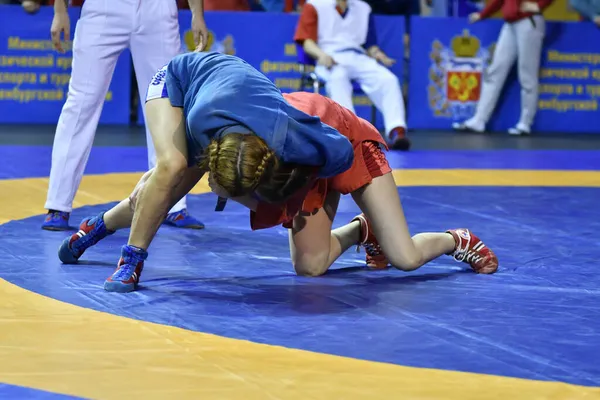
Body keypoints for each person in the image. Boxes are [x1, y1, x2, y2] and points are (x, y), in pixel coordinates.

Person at [57, 51, 498, 293]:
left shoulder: (314, 145)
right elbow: (156, 189)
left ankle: (454, 238)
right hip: (183, 82)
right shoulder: (202, 130)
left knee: (403, 258)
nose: (219, 195)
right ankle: (104, 232)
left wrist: (319, 202)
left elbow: (342, 159)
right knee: (168, 174)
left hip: (347, 139)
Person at [42, 0, 208, 231]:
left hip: (157, 10)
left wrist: (196, 13)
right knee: (81, 102)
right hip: (104, 8)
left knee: (168, 101)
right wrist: (60, 10)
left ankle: (174, 205)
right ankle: (58, 205)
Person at [294, 0, 410, 151]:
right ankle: (350, 134)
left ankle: (397, 131)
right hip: (329, 56)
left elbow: (370, 45)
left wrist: (378, 54)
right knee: (338, 78)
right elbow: (307, 42)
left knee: (388, 79)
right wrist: (321, 55)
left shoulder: (363, 8)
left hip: (358, 57)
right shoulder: (315, 5)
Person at [453, 0, 553, 135]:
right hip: (510, 24)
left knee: (527, 73)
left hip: (529, 21)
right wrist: (483, 14)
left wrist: (539, 5)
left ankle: (525, 123)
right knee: (495, 70)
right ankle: (479, 119)